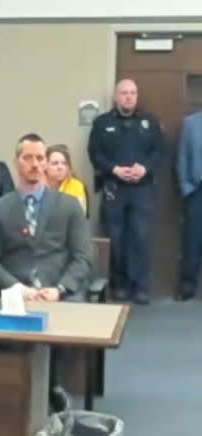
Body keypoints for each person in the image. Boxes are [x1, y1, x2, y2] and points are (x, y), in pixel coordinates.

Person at [0, 133, 93, 302]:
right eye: (27, 158)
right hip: (15, 294)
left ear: (46, 163)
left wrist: (60, 289)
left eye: (40, 158)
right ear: (16, 161)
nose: (35, 164)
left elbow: (83, 257)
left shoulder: (69, 205)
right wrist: (18, 288)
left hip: (60, 293)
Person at [87, 79, 165, 304]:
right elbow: (95, 153)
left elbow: (160, 152)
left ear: (137, 97)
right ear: (116, 97)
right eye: (124, 93)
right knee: (116, 240)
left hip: (142, 190)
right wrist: (114, 169)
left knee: (141, 239)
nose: (128, 97)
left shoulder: (149, 123)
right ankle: (118, 285)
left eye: (132, 93)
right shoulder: (102, 123)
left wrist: (145, 168)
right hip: (114, 189)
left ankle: (140, 288)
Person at [177, 110, 202, 301]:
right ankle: (187, 286)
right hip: (197, 191)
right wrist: (187, 187)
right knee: (192, 241)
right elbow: (182, 156)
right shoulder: (191, 123)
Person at [45, 145, 88, 215]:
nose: (60, 167)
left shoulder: (76, 186)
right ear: (45, 166)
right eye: (55, 163)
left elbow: (79, 217)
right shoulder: (38, 185)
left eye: (64, 163)